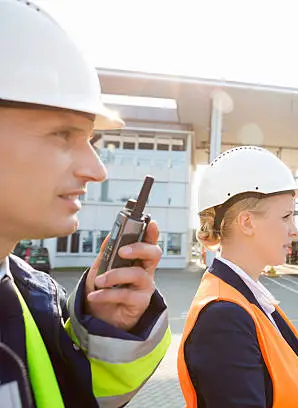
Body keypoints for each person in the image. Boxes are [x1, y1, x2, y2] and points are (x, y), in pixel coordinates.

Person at [0, 1, 171, 407]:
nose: (97, 170)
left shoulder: (37, 299)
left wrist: (107, 329)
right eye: (62, 134)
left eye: (90, 140)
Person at [177, 146, 298, 408]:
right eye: (286, 217)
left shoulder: (242, 296)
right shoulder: (222, 316)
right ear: (247, 223)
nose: (295, 232)